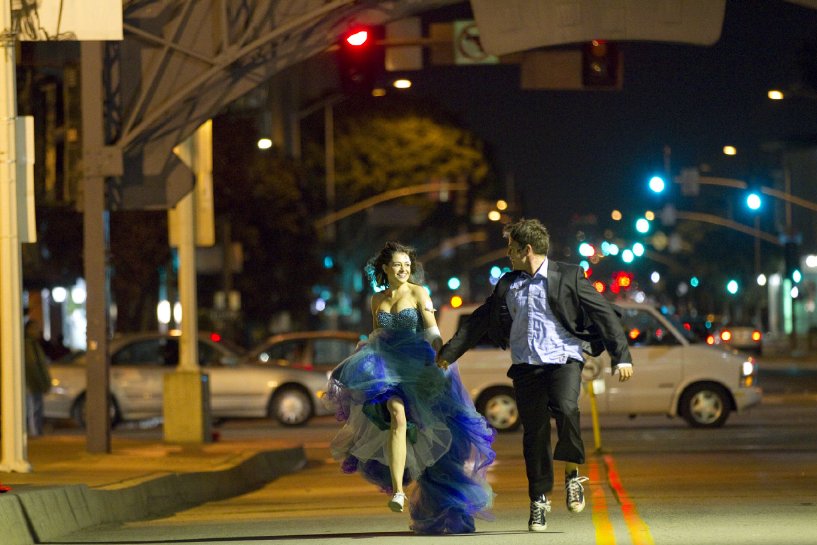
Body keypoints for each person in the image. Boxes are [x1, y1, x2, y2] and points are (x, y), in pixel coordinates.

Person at [436, 218, 634, 532]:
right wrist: (447, 355)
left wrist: (620, 357)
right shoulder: (508, 283)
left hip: (564, 359)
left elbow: (604, 313)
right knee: (535, 433)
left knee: (566, 409)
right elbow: (479, 320)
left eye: (511, 248)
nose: (507, 254)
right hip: (526, 365)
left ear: (526, 249)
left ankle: (572, 475)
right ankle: (539, 499)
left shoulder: (568, 275)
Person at [324, 241, 496, 534]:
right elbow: (377, 335)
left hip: (418, 369)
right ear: (385, 268)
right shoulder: (376, 299)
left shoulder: (418, 293)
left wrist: (442, 357)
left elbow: (432, 331)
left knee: (432, 441)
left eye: (407, 265)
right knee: (396, 416)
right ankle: (397, 492)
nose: (404, 270)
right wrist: (365, 360)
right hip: (388, 369)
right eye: (397, 265)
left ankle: (447, 506)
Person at [24, 319, 52, 437]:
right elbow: (32, 366)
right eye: (36, 328)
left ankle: (36, 431)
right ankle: (35, 432)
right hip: (32, 383)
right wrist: (40, 382)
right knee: (34, 408)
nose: (39, 331)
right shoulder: (29, 345)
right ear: (29, 330)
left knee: (36, 407)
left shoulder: (34, 344)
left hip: (34, 383)